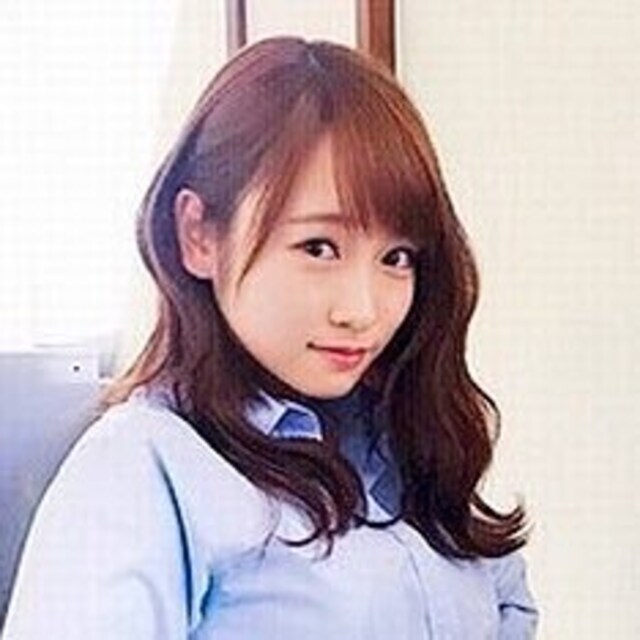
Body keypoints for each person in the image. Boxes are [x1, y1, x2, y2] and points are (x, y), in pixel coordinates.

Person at [3, 37, 538, 638]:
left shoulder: (416, 447)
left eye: (397, 257)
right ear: (199, 234)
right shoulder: (142, 468)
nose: (362, 311)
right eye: (318, 248)